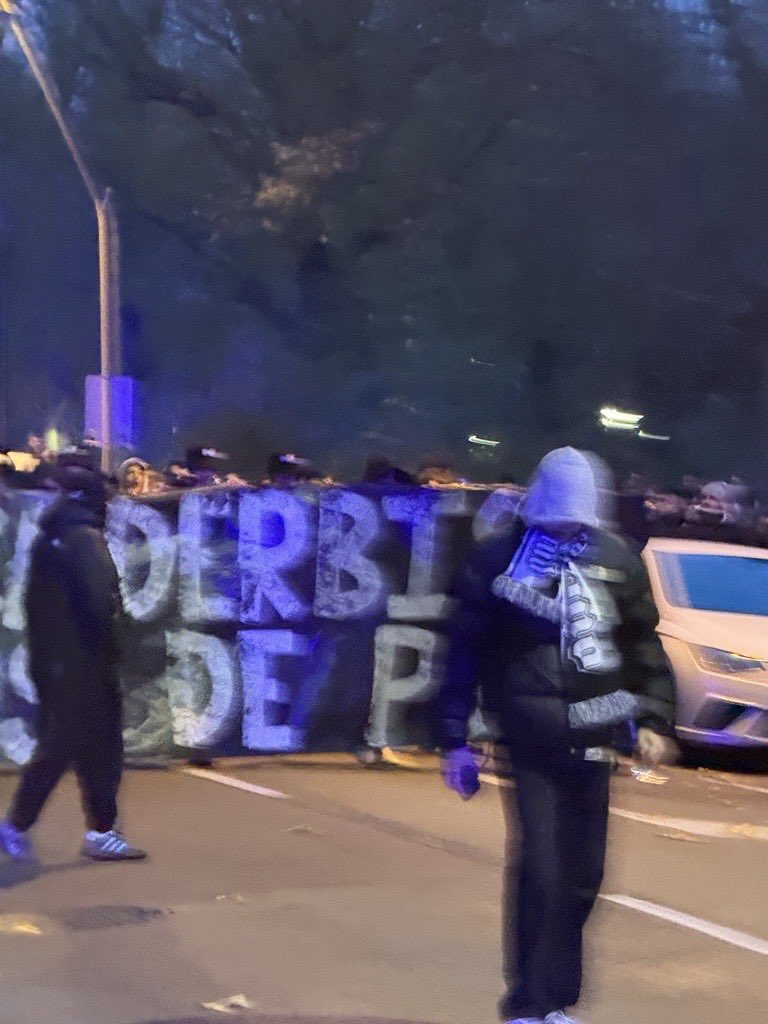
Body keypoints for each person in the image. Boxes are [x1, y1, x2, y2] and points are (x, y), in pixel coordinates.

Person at [436, 447, 677, 1024]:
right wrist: (453, 739)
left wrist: (652, 717)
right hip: (529, 735)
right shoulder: (498, 560)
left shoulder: (616, 560)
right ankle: (527, 1001)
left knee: (584, 874)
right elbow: (463, 649)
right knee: (541, 868)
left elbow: (642, 646)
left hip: (596, 734)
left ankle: (558, 998)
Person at [0, 457, 146, 863]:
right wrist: (117, 649)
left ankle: (101, 830)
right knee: (65, 746)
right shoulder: (83, 538)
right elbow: (103, 604)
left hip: (58, 662)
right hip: (85, 663)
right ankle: (17, 824)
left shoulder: (53, 535)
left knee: (95, 748)